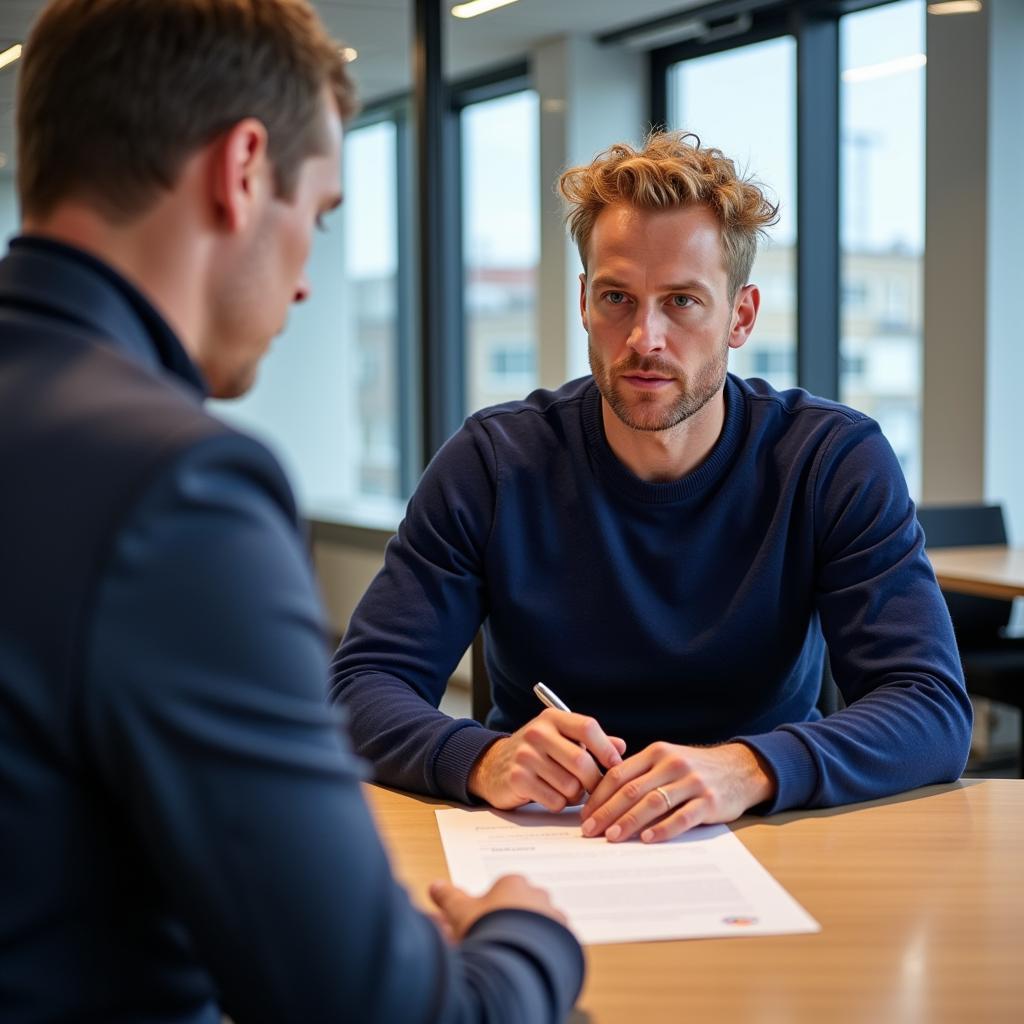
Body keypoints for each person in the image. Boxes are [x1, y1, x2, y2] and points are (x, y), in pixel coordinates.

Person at [0, 1, 584, 1021]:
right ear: (242, 169)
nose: (309, 282)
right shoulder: (175, 488)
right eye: (316, 216)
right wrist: (529, 935)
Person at [331, 131, 972, 845]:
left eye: (682, 302)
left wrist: (748, 768)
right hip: (545, 840)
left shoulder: (830, 460)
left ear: (742, 315)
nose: (644, 337)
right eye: (617, 297)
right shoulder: (493, 462)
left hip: (769, 839)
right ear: (582, 301)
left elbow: (930, 708)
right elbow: (358, 689)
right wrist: (480, 757)